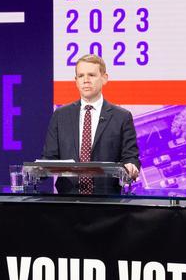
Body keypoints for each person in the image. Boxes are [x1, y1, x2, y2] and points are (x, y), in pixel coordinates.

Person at [42, 54, 140, 194]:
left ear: (104, 78)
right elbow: (49, 158)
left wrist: (131, 167)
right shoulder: (60, 115)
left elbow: (131, 157)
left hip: (108, 200)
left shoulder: (122, 117)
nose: (86, 80)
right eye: (81, 76)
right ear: (76, 81)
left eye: (91, 75)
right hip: (67, 199)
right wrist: (37, 171)